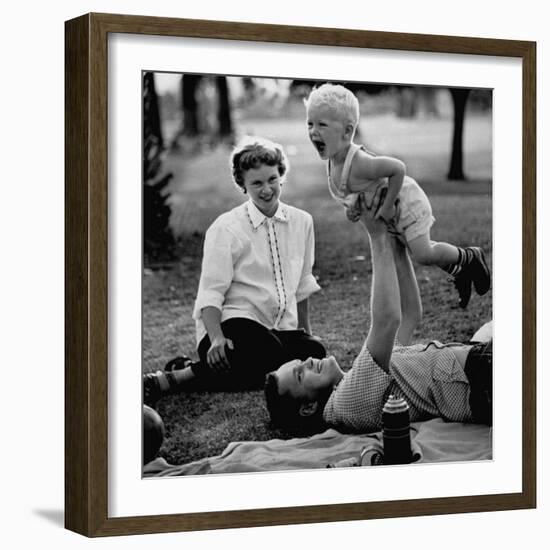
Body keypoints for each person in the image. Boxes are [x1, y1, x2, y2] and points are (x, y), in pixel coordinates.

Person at [264, 190, 492, 435]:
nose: (308, 361)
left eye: (299, 362)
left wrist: (395, 243)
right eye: (300, 373)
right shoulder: (345, 404)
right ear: (308, 408)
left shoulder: (361, 377)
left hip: (479, 364)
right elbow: (387, 321)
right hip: (483, 377)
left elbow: (409, 314)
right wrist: (376, 234)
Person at [144, 136, 326, 406]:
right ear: (243, 185)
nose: (267, 189)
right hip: (232, 328)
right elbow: (210, 292)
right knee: (268, 351)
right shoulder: (226, 227)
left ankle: (190, 370)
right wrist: (216, 338)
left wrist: (305, 334)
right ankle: (176, 378)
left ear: (281, 175)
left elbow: (303, 285)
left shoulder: (302, 222)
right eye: (257, 183)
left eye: (272, 180)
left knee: (316, 352)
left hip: (275, 332)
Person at [304, 83, 491, 309]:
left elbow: (398, 169)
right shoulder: (334, 162)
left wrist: (387, 205)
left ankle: (469, 257)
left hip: (407, 203)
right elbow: (355, 193)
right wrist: (352, 208)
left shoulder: (361, 163)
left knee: (423, 253)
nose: (313, 131)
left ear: (346, 131)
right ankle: (459, 272)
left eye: (322, 125)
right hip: (392, 214)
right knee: (418, 249)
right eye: (310, 124)